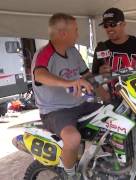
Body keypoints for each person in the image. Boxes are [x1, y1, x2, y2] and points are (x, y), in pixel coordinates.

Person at [91, 7, 136, 180]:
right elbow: (94, 79)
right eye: (106, 25)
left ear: (123, 24)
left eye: (113, 24)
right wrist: (106, 97)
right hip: (117, 107)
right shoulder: (101, 48)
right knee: (121, 153)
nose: (109, 28)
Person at [31, 13, 101, 179]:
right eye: (75, 30)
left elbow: (87, 76)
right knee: (73, 138)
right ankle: (70, 175)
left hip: (80, 105)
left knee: (115, 115)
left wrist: (101, 77)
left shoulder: (73, 52)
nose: (78, 34)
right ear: (63, 33)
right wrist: (69, 83)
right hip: (55, 111)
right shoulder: (44, 53)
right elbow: (39, 75)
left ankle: (104, 162)